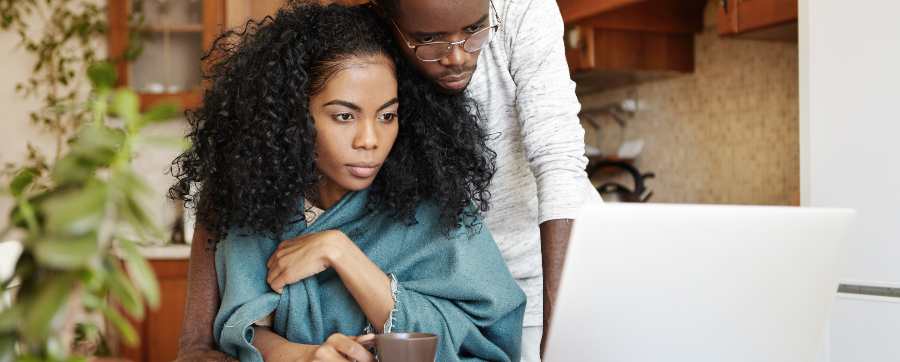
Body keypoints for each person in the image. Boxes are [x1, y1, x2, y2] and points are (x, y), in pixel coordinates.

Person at [169, 3, 525, 361]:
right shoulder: (249, 207)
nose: (369, 140)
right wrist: (308, 357)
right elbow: (235, 336)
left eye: (387, 115)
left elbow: (486, 339)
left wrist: (341, 253)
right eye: (344, 116)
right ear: (291, 118)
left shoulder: (438, 210)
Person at [372, 0, 602, 359]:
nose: (458, 57)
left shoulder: (521, 9)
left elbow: (557, 160)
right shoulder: (371, 41)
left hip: (560, 283)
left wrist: (560, 326)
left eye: (474, 30)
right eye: (429, 39)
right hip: (467, 300)